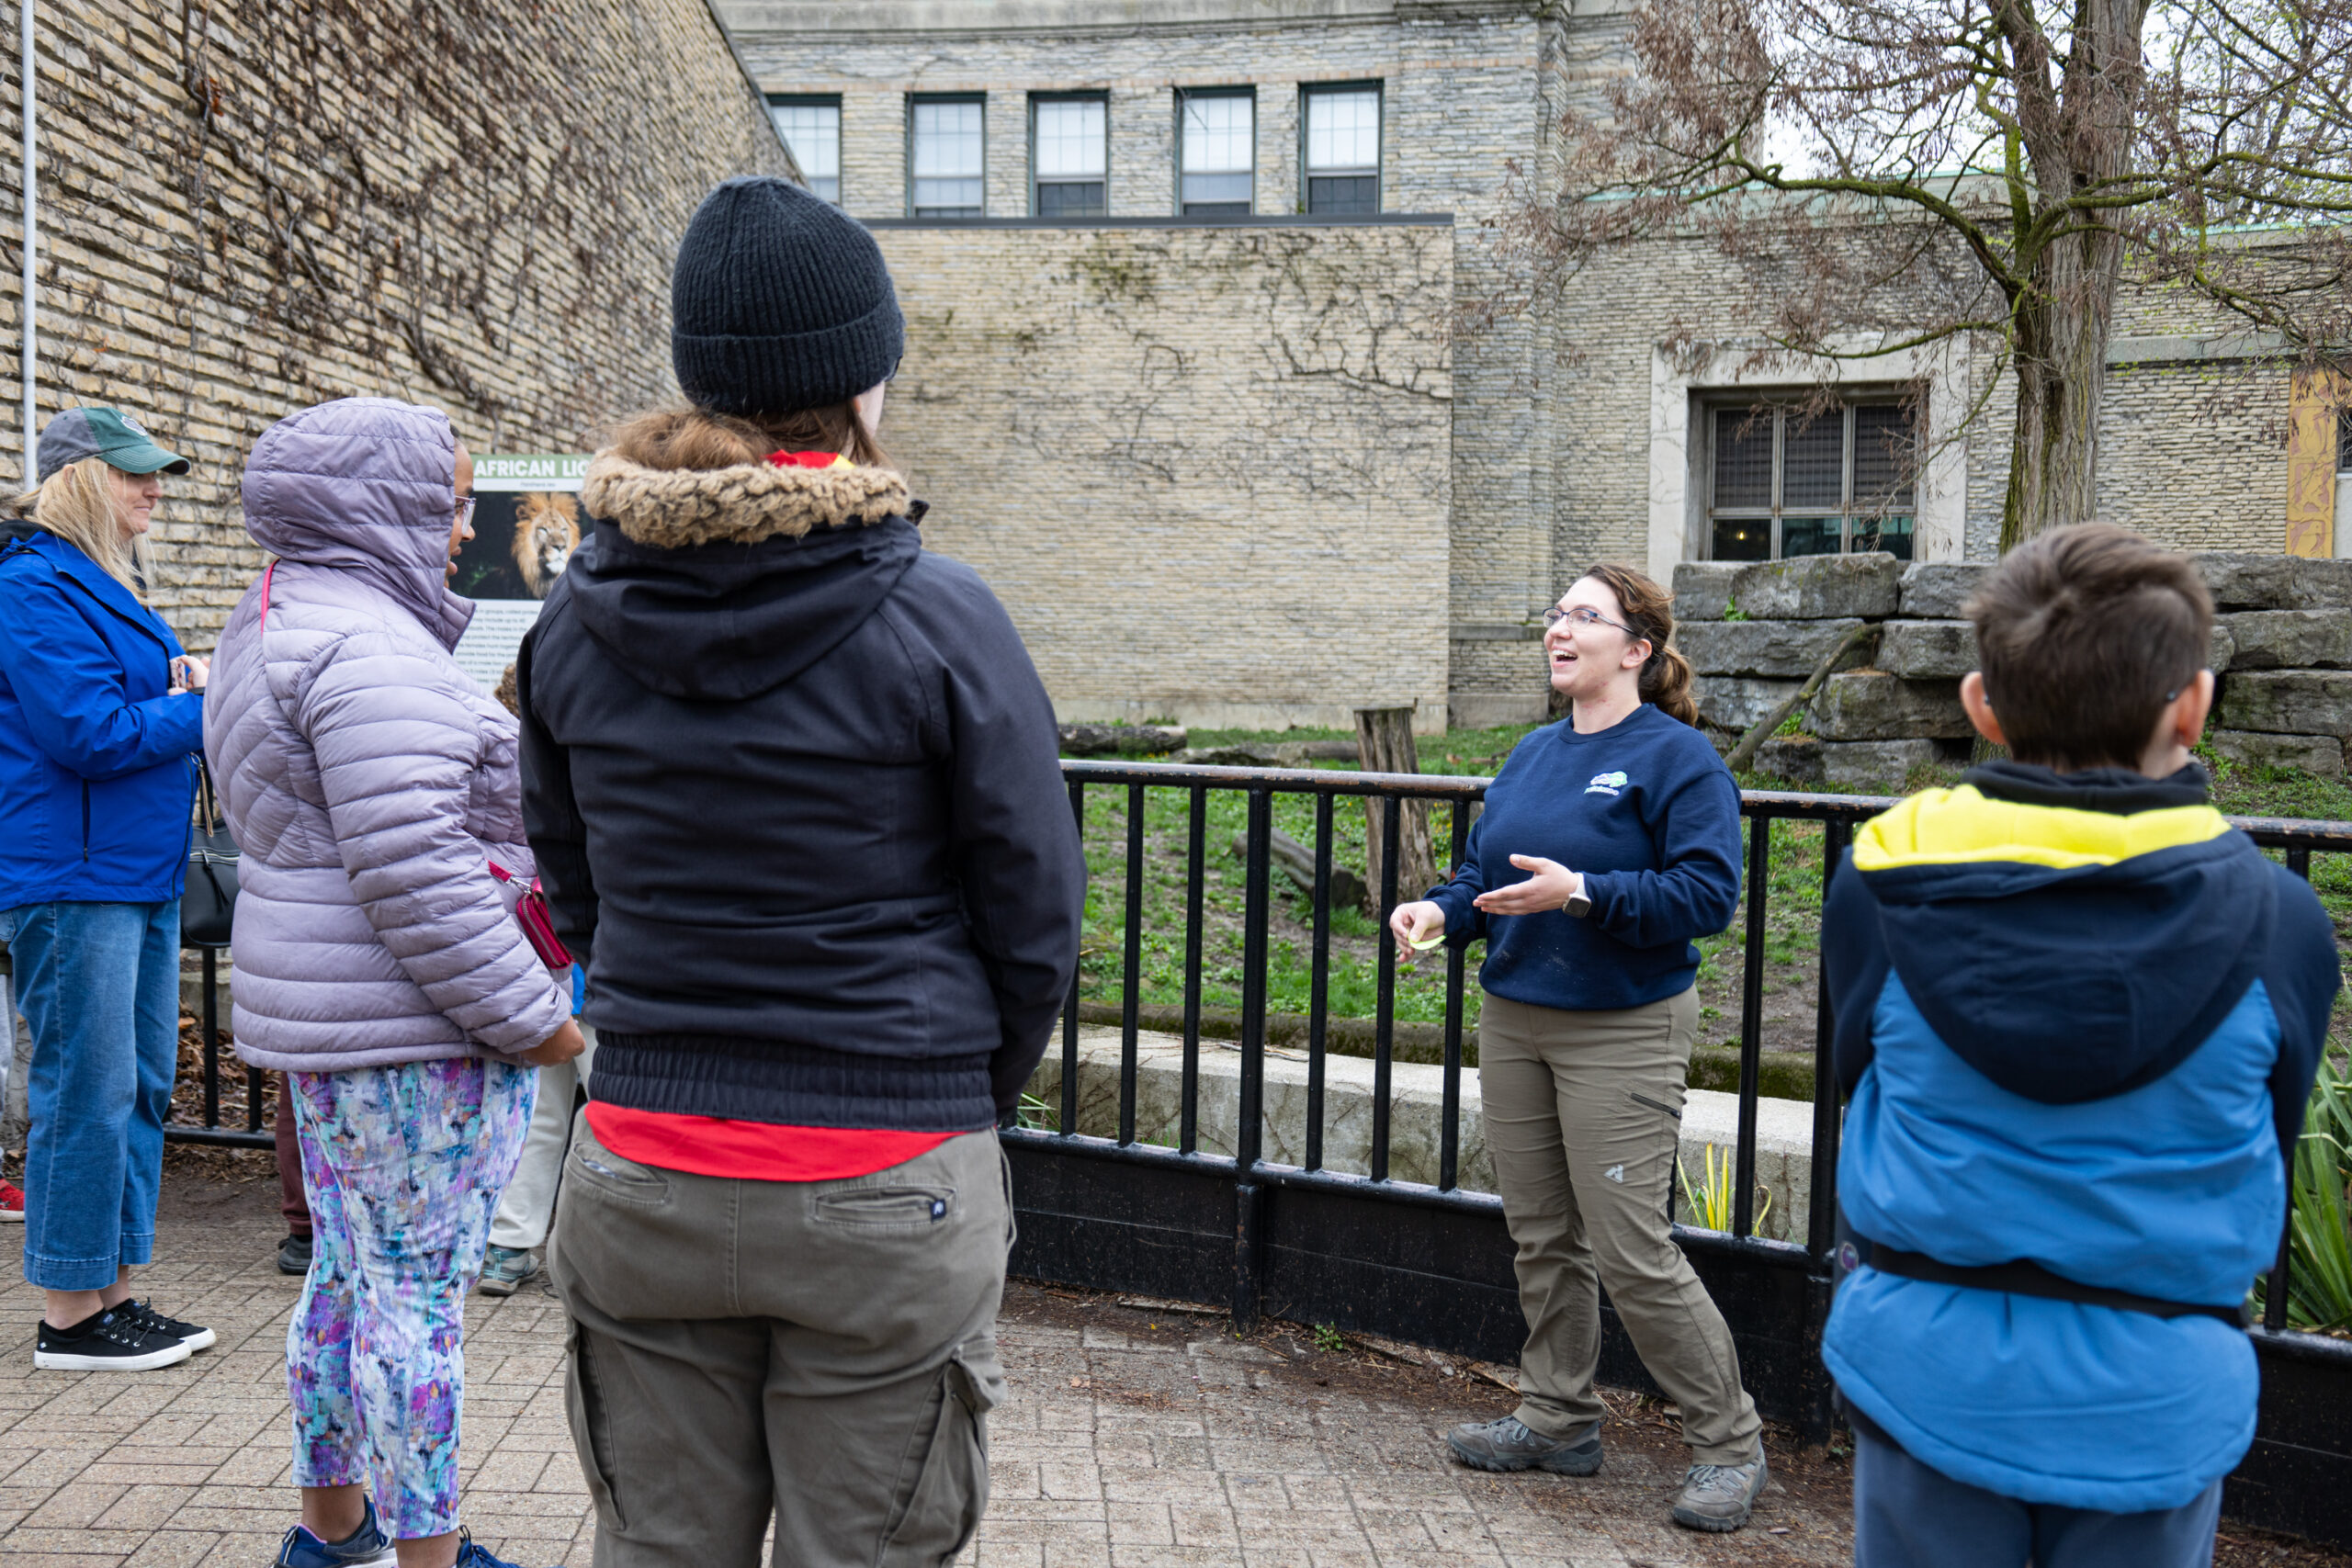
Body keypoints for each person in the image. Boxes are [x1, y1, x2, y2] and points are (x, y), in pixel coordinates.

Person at [518, 175, 1085, 1566]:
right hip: (887, 1162)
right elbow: (1033, 908)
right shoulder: (937, 613)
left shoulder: (574, 620)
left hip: (644, 1156)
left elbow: (570, 881)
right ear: (862, 381)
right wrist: (960, 1085)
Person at [1820, 525, 2338, 1568]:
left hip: (1930, 1372)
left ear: (1981, 704)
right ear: (2193, 704)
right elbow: (2270, 1133)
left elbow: (1854, 1077)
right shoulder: (2279, 921)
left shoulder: (1881, 886)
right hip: (2152, 1394)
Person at [205, 397, 584, 1568]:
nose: (464, 527)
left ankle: (335, 1534)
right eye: (449, 502)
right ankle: (429, 1554)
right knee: (415, 1304)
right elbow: (416, 870)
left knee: (345, 1281)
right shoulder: (369, 647)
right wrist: (539, 1022)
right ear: (378, 504)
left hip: (338, 1020)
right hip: (418, 1032)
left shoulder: (274, 615)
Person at [1391, 562, 1767, 1534]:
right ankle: (1557, 1418)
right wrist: (1439, 911)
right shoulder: (1530, 753)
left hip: (1623, 1025)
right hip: (1515, 1014)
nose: (1559, 628)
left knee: (1631, 1248)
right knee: (1541, 1234)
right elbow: (1481, 873)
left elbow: (1706, 897)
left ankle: (1729, 1444)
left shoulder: (1679, 760)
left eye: (1584, 616)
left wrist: (1584, 892)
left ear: (1636, 649)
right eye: (1556, 613)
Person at [0, 406, 214, 1371]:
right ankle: (69, 1312)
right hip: (75, 873)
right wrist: (202, 705)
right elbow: (89, 733)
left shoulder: (99, 580)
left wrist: (180, 690)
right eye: (135, 472)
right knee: (88, 1087)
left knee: (138, 1085)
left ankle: (113, 1292)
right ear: (83, 480)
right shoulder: (31, 584)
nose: (153, 488)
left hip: (133, 868)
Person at [477, 964, 588, 1297]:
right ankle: (603, 1259)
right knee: (615, 1120)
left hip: (538, 983)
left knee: (536, 1117)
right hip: (604, 980)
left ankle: (507, 1251)